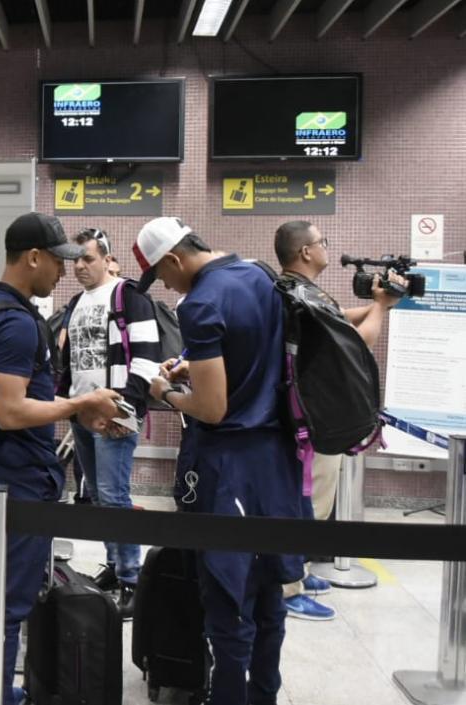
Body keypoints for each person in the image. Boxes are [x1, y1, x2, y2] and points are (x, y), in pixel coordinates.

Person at [0, 213, 123, 705]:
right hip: (14, 481)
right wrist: (80, 404)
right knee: (5, 602)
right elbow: (10, 410)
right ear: (33, 257)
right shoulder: (14, 323)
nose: (63, 270)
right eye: (58, 260)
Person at [139, 217, 303, 705]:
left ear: (174, 259)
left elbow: (212, 408)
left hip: (230, 466)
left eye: (162, 276)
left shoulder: (202, 301)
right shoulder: (259, 275)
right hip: (278, 461)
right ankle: (264, 696)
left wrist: (167, 390)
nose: (166, 286)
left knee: (230, 604)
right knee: (271, 595)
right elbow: (257, 350)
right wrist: (200, 364)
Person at [273, 220, 405, 622]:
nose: (327, 247)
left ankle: (300, 570)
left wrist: (381, 301)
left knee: (313, 503)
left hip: (311, 419)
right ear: (306, 252)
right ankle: (287, 588)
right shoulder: (299, 295)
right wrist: (380, 308)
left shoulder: (297, 292)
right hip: (312, 424)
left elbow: (339, 318)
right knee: (307, 505)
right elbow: (356, 344)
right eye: (322, 242)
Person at [55, 228, 159, 618]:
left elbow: (147, 358)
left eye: (87, 258)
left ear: (107, 258)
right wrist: (66, 404)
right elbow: (70, 361)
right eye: (75, 260)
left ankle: (132, 579)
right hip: (82, 413)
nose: (79, 266)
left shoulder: (128, 296)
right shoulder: (76, 303)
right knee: (98, 497)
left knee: (115, 496)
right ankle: (116, 569)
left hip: (114, 414)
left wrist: (125, 409)